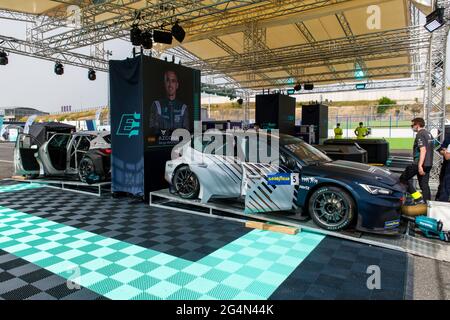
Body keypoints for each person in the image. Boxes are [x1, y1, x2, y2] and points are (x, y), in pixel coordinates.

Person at [399, 118, 434, 203]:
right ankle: (427, 205)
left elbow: (423, 150)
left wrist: (419, 166)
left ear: (417, 125)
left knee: (402, 179)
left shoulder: (420, 134)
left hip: (419, 163)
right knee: (424, 185)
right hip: (428, 164)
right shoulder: (429, 134)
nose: (412, 127)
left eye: (412, 125)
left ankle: (418, 198)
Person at [436, 137, 450, 202]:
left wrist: (446, 152)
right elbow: (441, 150)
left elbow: (447, 156)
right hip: (446, 166)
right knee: (443, 184)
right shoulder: (448, 138)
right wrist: (444, 151)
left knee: (446, 185)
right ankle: (439, 199)